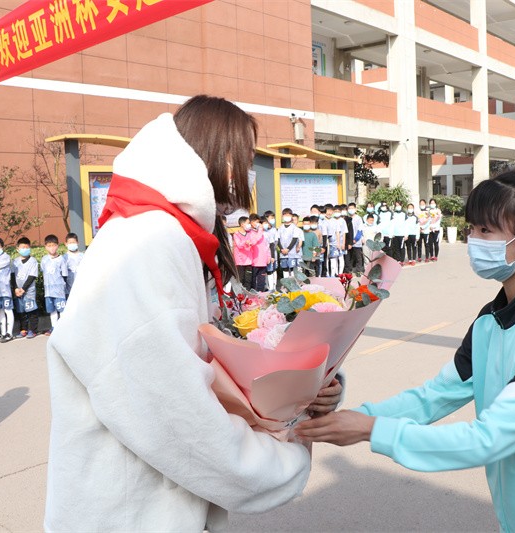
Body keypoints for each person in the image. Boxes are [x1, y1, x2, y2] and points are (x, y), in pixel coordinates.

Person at [45, 96, 341, 531]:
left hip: (161, 502)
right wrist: (280, 460)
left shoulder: (174, 235)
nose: (242, 179)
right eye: (240, 160)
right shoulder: (149, 241)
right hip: (130, 510)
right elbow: (174, 412)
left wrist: (308, 388)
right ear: (213, 154)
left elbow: (222, 356)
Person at [296, 171, 515, 533]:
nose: (472, 241)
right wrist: (356, 416)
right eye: (471, 229)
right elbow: (435, 396)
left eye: (485, 231)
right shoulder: (490, 320)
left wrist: (372, 429)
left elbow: (489, 438)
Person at [41, 234, 69, 335]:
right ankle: (54, 327)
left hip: (59, 290)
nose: (51, 248)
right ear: (45, 247)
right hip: (48, 291)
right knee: (52, 310)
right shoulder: (44, 259)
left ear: (57, 246)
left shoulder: (61, 259)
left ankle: (63, 328)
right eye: (49, 245)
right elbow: (43, 271)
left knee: (61, 310)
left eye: (53, 245)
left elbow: (65, 275)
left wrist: (61, 285)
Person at [13, 237, 39, 339]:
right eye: (22, 247)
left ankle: (33, 330)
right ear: (17, 249)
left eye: (26, 247)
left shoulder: (33, 261)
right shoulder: (15, 261)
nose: (24, 249)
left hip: (29, 291)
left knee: (31, 311)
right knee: (21, 311)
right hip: (18, 292)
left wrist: (23, 289)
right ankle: (23, 329)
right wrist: (16, 288)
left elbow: (32, 276)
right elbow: (12, 276)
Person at [277, 209, 301, 279]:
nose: (287, 216)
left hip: (292, 252)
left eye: (288, 215)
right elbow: (278, 239)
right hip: (283, 253)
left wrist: (288, 249)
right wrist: (282, 249)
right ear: (282, 216)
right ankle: (286, 284)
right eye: (285, 215)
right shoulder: (280, 228)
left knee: (292, 268)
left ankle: (293, 283)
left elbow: (294, 239)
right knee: (285, 269)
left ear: (291, 216)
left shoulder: (294, 228)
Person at [233, 215, 254, 289]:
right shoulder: (236, 234)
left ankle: (247, 296)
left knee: (248, 280)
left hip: (249, 260)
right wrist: (246, 242)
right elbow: (239, 245)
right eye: (248, 223)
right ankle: (239, 296)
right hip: (240, 261)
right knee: (241, 279)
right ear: (242, 224)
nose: (249, 225)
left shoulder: (249, 234)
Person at [249, 214, 269, 292]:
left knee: (262, 280)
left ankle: (261, 295)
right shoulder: (250, 233)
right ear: (250, 222)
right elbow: (253, 242)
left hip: (263, 261)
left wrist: (268, 256)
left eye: (258, 222)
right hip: (254, 261)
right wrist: (260, 231)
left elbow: (266, 246)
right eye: (255, 222)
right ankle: (253, 296)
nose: (257, 223)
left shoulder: (261, 233)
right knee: (253, 280)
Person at [64, 232, 84, 299]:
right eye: (70, 243)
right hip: (69, 291)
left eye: (74, 242)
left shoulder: (83, 256)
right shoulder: (65, 257)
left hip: (81, 289)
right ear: (66, 244)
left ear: (77, 243)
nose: (72, 244)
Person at [262, 211, 278, 291]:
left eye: (273, 218)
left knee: (273, 269)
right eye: (271, 218)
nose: (273, 220)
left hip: (272, 253)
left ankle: (273, 287)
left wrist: (272, 255)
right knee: (265, 271)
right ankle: (266, 286)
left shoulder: (274, 230)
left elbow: (274, 243)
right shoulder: (261, 231)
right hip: (263, 256)